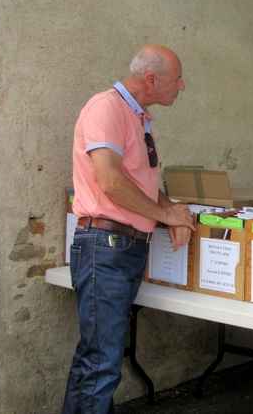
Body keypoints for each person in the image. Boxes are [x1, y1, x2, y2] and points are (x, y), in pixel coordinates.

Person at [62, 44, 195, 414]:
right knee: (101, 363)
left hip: (121, 248)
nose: (181, 87)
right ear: (151, 80)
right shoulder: (106, 108)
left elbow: (139, 183)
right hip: (105, 246)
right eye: (177, 78)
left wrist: (172, 208)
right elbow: (110, 181)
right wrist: (164, 216)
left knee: (98, 360)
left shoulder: (137, 117)